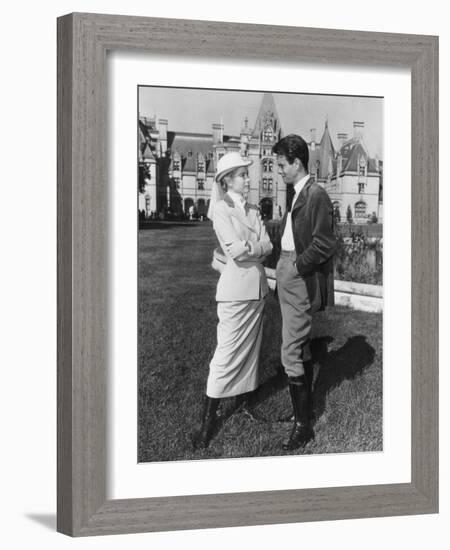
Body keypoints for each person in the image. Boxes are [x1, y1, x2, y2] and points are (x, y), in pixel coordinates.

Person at [193, 152, 273, 449]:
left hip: (257, 291)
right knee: (225, 356)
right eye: (241, 174)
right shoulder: (220, 210)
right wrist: (256, 247)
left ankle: (243, 403)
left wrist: (252, 246)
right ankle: (207, 422)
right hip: (235, 293)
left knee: (251, 354)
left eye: (245, 173)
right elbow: (238, 252)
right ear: (226, 180)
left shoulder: (253, 209)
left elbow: (269, 244)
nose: (246, 178)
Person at [272, 134, 336, 451]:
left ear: (297, 163)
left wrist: (297, 266)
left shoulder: (316, 195)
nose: (279, 170)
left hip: (297, 274)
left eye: (282, 165)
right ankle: (304, 413)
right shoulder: (298, 193)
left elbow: (325, 243)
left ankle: (303, 426)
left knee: (290, 350)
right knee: (299, 345)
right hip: (287, 270)